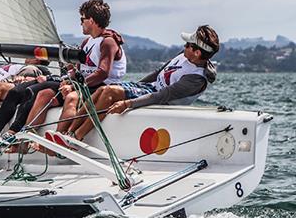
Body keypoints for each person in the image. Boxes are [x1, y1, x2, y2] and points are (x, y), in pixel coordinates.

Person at [65, 25, 220, 142]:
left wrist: (127, 103)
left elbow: (162, 96)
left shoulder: (196, 79)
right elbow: (159, 72)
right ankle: (69, 131)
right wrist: (131, 87)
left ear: (197, 53)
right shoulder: (185, 55)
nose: (184, 46)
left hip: (160, 101)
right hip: (149, 89)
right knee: (103, 90)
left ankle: (77, 137)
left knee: (110, 92)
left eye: (187, 45)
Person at [19, 0, 126, 141]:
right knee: (44, 94)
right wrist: (67, 80)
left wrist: (75, 86)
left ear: (91, 21)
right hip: (85, 84)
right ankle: (26, 139)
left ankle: (58, 140)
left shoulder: (108, 42)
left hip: (102, 86)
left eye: (82, 19)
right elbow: (77, 70)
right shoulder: (87, 42)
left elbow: (102, 73)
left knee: (71, 97)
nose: (80, 23)